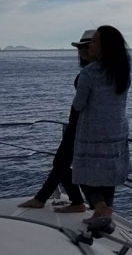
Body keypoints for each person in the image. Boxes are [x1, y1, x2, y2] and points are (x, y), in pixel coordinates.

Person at [18, 29, 95, 213]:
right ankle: (73, 201)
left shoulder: (91, 73)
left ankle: (46, 199)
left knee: (61, 163)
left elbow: (81, 104)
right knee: (63, 164)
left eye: (87, 47)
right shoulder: (95, 72)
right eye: (80, 47)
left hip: (79, 126)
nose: (82, 51)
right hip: (77, 125)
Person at [71, 25, 132, 230]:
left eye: (95, 41)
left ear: (105, 46)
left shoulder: (89, 73)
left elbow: (79, 104)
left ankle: (100, 208)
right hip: (117, 131)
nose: (91, 44)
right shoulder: (122, 72)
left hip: (93, 131)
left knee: (82, 173)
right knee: (109, 175)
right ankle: (105, 215)